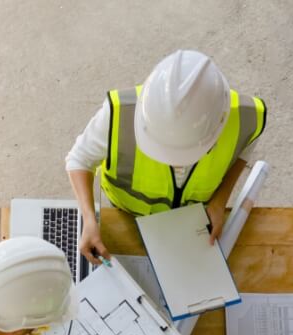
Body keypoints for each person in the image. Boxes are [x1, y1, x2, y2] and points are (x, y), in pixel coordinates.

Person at [66, 49, 267, 264]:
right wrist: (88, 218)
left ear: (219, 123)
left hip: (190, 221)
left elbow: (244, 149)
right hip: (127, 211)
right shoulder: (118, 113)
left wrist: (220, 201)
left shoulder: (246, 118)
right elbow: (79, 159)